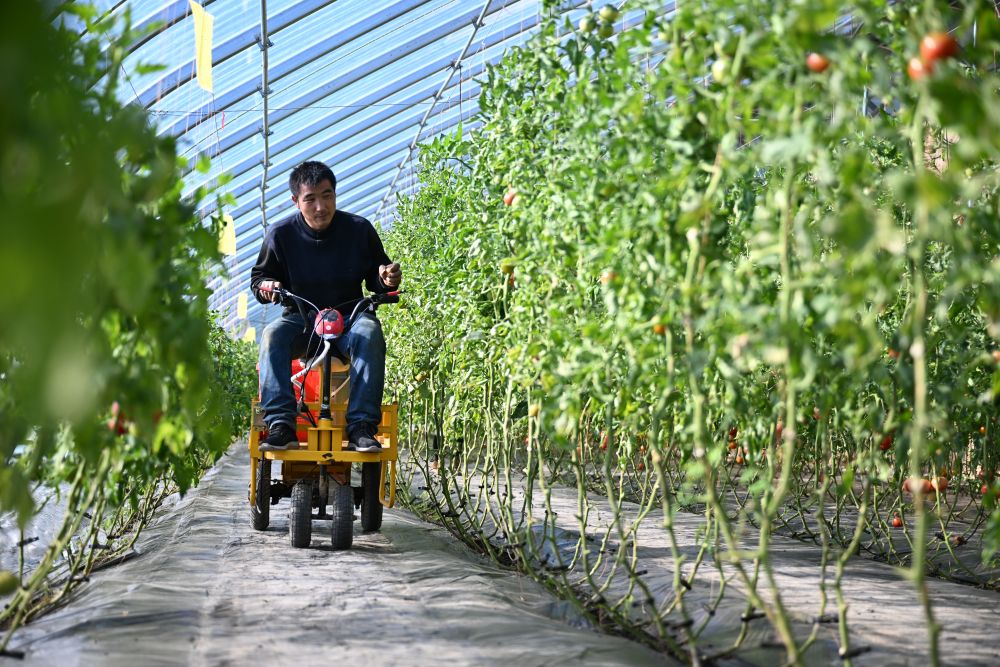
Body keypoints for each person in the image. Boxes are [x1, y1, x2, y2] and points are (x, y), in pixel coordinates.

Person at [250, 161, 401, 453]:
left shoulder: (359, 230)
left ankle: (361, 427)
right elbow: (260, 278)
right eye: (310, 199)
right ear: (296, 201)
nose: (321, 206)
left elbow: (378, 277)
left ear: (335, 193)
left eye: (327, 195)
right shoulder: (280, 235)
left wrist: (386, 278)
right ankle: (281, 424)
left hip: (350, 318)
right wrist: (269, 287)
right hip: (301, 320)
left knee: (369, 334)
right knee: (272, 336)